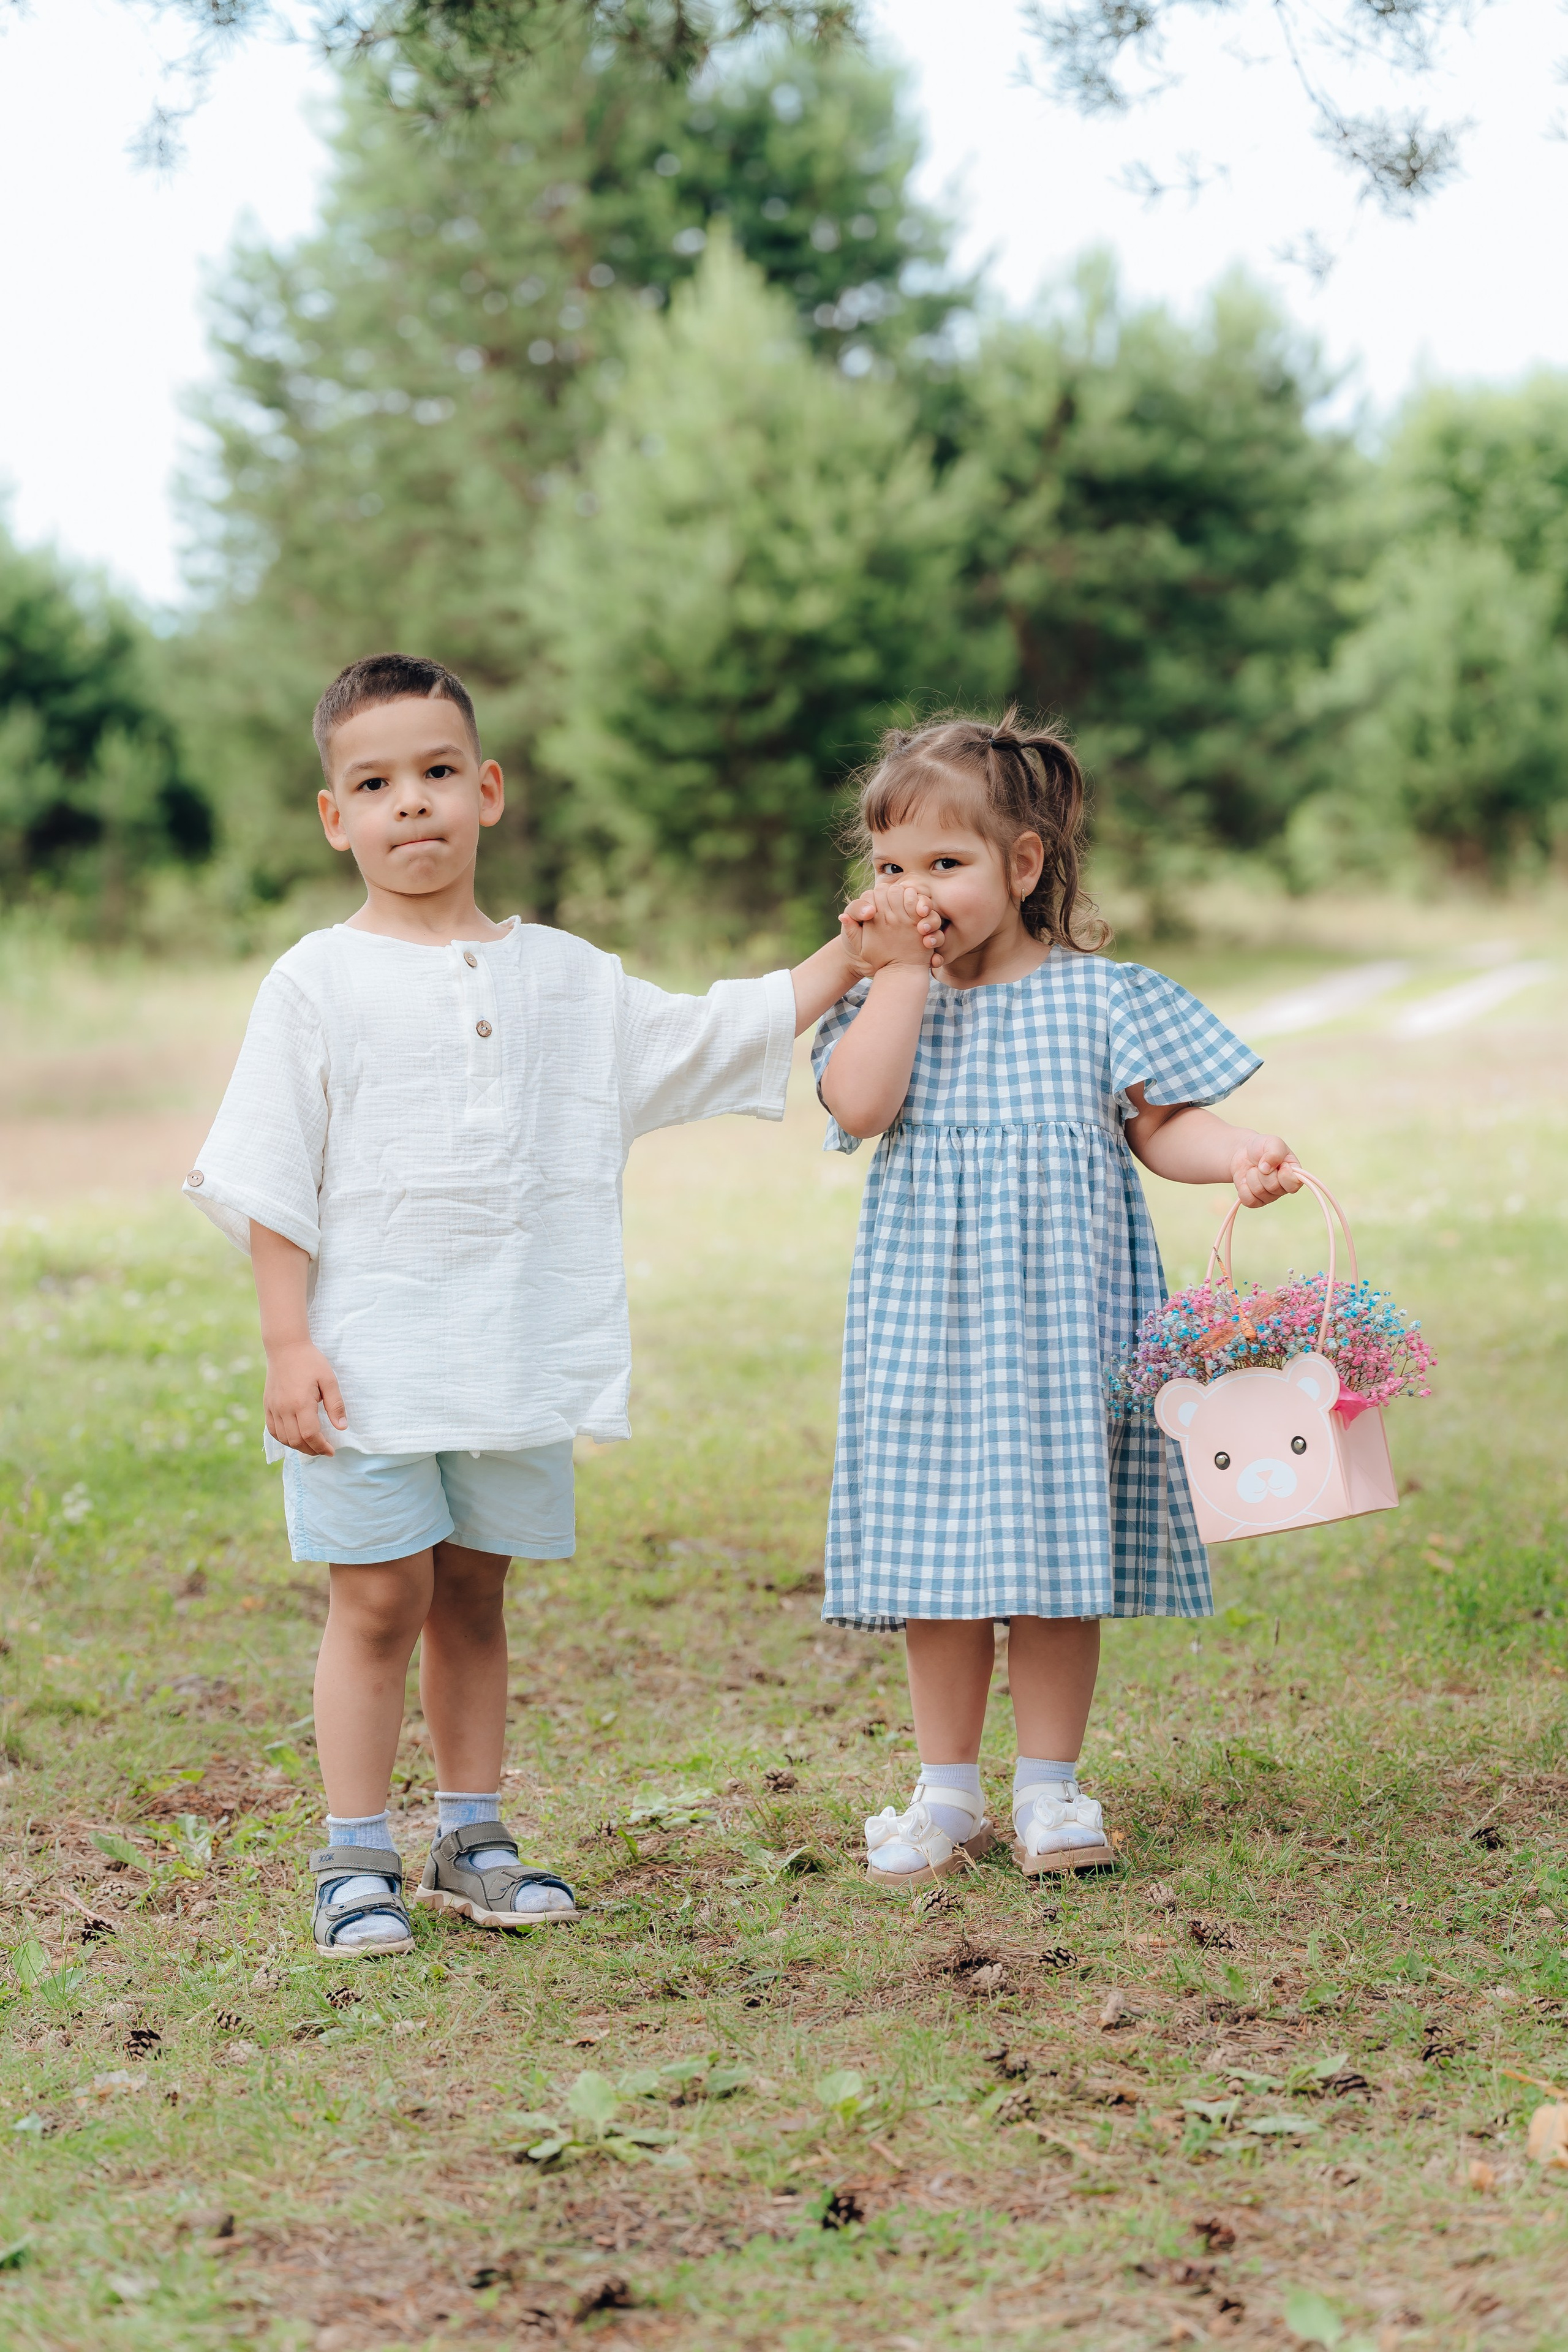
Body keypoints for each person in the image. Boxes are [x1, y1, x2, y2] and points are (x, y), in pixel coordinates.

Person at [183, 652, 863, 1956]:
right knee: (378, 1597)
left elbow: (712, 1031)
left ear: (486, 791)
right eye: (375, 783)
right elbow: (270, 1171)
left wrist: (848, 952)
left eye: (438, 773)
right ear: (336, 817)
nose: (412, 804)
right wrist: (286, 1339)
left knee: (474, 1594)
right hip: (367, 1357)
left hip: (506, 1347)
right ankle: (353, 1854)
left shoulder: (565, 978)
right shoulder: (315, 983)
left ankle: (472, 1836)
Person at [815, 711, 1300, 1889]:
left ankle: (1048, 1787)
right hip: (930, 1328)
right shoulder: (890, 998)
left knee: (1052, 1552)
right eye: (890, 867)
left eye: (946, 864)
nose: (914, 889)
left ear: (1023, 867)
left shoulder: (1099, 998)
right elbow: (857, 1104)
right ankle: (947, 1792)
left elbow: (1163, 1123)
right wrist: (901, 978)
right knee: (939, 1562)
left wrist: (1233, 1150)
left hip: (1059, 1332)